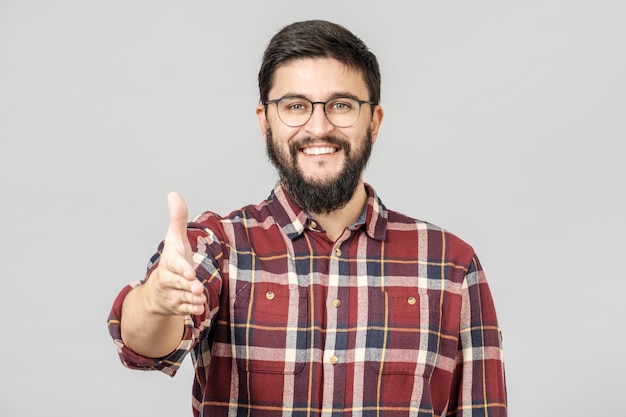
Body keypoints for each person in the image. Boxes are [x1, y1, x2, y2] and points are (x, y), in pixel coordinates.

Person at [107, 19, 507, 417]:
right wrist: (158, 301)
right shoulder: (217, 246)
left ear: (374, 122)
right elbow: (142, 347)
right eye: (296, 106)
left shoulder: (451, 266)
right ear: (266, 122)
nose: (319, 127)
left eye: (341, 105)